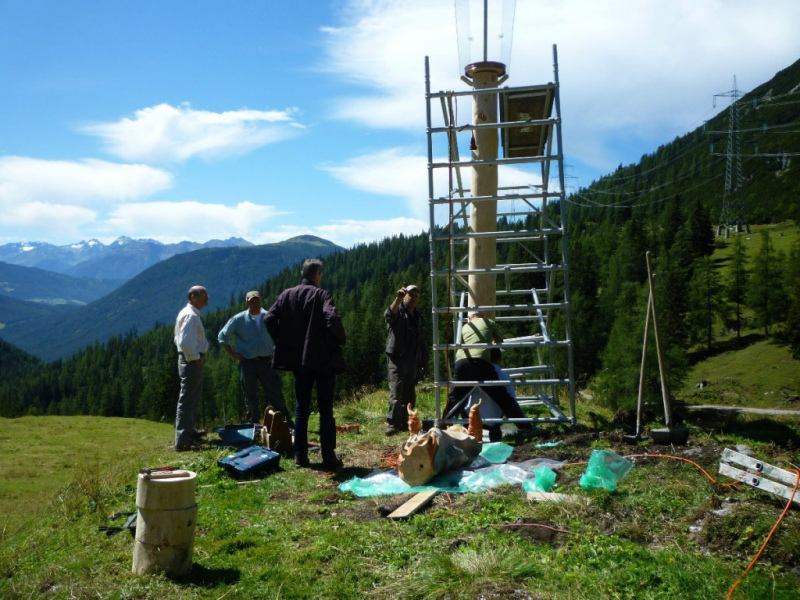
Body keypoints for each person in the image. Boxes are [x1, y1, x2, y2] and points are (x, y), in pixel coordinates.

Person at [265, 258, 346, 470]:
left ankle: (300, 457)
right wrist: (340, 338)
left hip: (299, 361)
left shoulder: (286, 294)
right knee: (325, 408)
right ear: (317, 274)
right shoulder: (322, 295)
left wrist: (281, 341)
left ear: (303, 273)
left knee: (301, 408)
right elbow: (332, 318)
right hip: (322, 360)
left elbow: (268, 319)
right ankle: (328, 457)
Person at [218, 290, 293, 426]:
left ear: (261, 300)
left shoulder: (269, 316)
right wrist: (233, 354)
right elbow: (222, 337)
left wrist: (276, 353)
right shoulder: (238, 319)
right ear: (247, 302)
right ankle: (254, 425)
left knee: (275, 393)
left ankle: (286, 422)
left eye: (257, 299)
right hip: (247, 363)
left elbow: (282, 335)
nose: (255, 302)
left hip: (267, 362)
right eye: (252, 300)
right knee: (250, 395)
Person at [444, 311, 528, 425]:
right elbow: (499, 340)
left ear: (469, 318)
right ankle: (524, 426)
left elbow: (464, 342)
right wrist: (490, 341)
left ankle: (443, 425)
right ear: (482, 315)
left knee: (456, 397)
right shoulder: (488, 322)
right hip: (480, 361)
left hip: (462, 361)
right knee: (501, 395)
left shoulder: (465, 326)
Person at [384, 283, 429, 435]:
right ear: (405, 296)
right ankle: (393, 423)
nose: (414, 299)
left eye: (416, 296)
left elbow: (422, 341)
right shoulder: (398, 311)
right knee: (396, 390)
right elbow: (389, 314)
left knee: (409, 393)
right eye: (411, 295)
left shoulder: (418, 317)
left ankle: (405, 421)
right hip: (397, 358)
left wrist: (425, 362)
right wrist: (398, 299)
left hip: (412, 359)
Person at [174, 285, 209, 451]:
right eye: (203, 294)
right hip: (191, 361)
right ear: (192, 297)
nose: (206, 297)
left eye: (206, 294)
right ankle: (183, 441)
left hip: (189, 360)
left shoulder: (189, 313)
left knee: (192, 398)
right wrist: (196, 358)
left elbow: (178, 338)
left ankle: (189, 432)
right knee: (188, 400)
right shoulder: (191, 315)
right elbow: (184, 342)